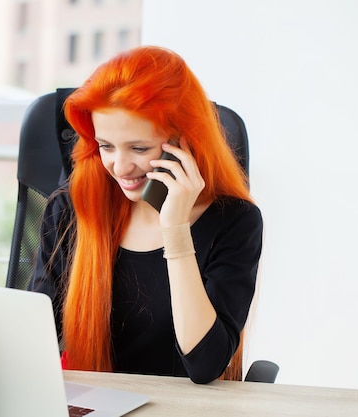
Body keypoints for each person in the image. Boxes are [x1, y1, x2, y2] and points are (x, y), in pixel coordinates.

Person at [28, 45, 262, 384]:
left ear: (185, 143)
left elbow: (205, 365)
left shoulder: (235, 222)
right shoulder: (70, 208)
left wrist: (176, 228)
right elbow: (36, 336)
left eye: (139, 148)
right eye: (106, 146)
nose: (120, 167)